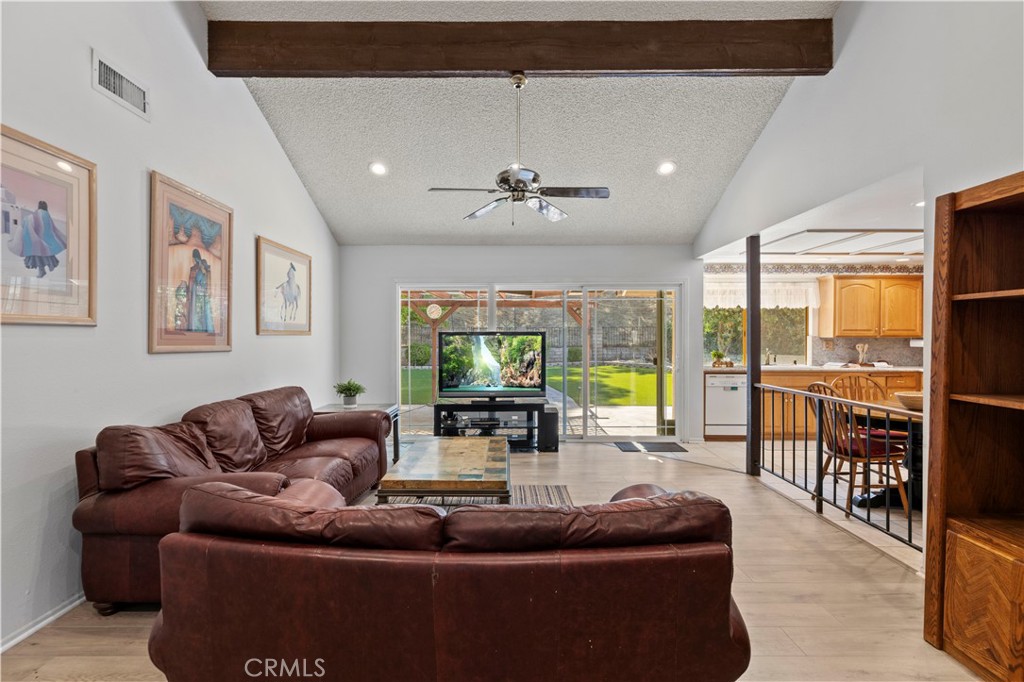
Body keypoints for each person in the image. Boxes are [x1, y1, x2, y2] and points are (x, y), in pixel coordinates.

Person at [186, 248, 214, 332]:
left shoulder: (195, 268)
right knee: (203, 312)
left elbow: (191, 284)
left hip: (196, 293)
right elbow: (208, 282)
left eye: (192, 258)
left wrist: (189, 294)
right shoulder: (204, 267)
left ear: (194, 258)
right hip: (203, 293)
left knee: (197, 312)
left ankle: (197, 330)